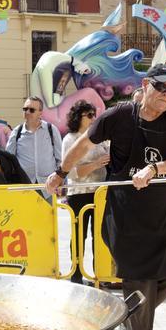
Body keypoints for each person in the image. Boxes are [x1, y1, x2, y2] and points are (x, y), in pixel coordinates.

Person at [46, 65, 166, 330]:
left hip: (165, 210)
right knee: (141, 279)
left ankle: (127, 319)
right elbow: (83, 144)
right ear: (145, 85)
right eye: (161, 89)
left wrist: (155, 170)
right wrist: (61, 173)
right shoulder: (117, 116)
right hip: (126, 214)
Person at [61, 101, 110, 285]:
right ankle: (76, 276)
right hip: (78, 193)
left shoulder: (100, 138)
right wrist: (97, 163)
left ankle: (99, 276)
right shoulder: (70, 139)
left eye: (94, 114)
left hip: (98, 193)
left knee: (99, 236)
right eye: (89, 115)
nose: (93, 118)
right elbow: (72, 172)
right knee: (79, 236)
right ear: (78, 117)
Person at [7, 96, 62, 192]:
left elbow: (60, 158)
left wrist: (60, 180)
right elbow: (9, 160)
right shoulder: (17, 132)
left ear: (40, 112)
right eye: (25, 109)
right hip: (24, 187)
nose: (27, 112)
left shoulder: (51, 130)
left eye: (31, 110)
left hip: (48, 186)